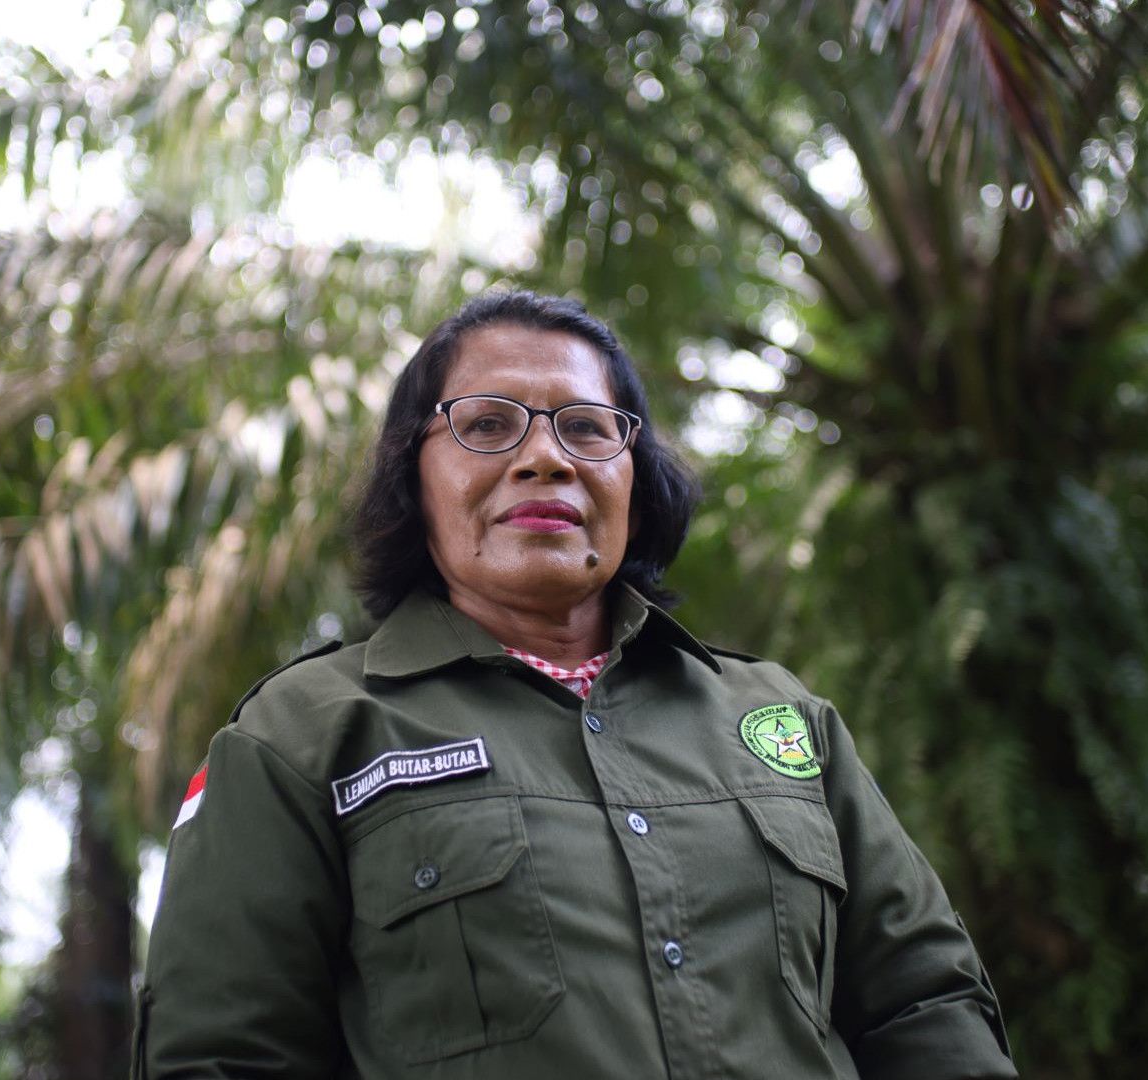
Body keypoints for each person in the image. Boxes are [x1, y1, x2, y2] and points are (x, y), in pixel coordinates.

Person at [136, 291, 1016, 1079]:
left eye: (588, 428)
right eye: (488, 425)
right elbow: (223, 1057)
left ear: (634, 476)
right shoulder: (304, 735)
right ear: (414, 471)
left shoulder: (781, 720)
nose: (546, 459)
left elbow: (925, 1000)